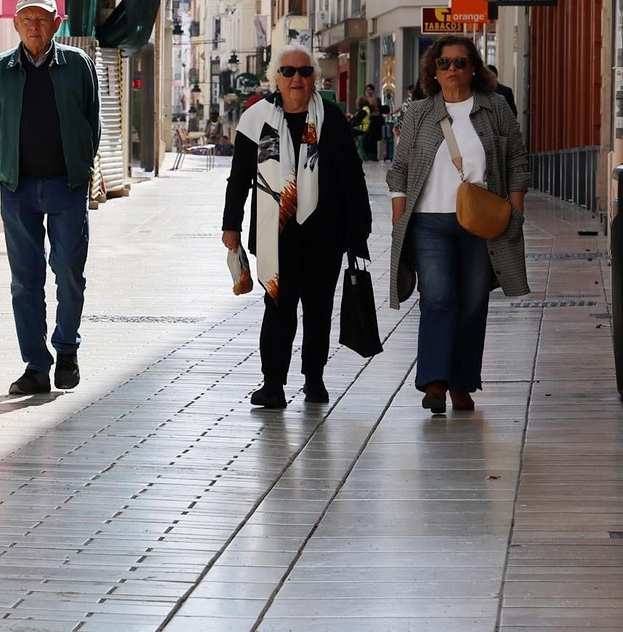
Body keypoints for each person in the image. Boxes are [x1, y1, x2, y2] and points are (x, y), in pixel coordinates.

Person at [223, 45, 371, 408]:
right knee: (278, 309)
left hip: (325, 233)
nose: (296, 79)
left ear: (314, 78)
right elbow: (239, 177)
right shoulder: (255, 119)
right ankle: (272, 383)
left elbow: (352, 177)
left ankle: (314, 380)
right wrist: (232, 225)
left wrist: (358, 230)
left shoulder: (331, 119)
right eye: (288, 72)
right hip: (276, 233)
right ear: (276, 77)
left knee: (318, 310)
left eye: (304, 72)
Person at [388, 35, 529, 414]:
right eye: (444, 63)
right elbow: (399, 168)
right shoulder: (419, 112)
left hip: (481, 221)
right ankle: (434, 382)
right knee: (437, 298)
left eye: (460, 62)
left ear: (473, 68)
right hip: (429, 221)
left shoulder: (495, 107)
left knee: (471, 303)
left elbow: (517, 159)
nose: (452, 70)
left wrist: (515, 211)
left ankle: (462, 383)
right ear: (433, 70)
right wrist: (399, 217)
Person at [0, 0, 101, 396]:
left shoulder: (78, 65)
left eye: (42, 17)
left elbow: (92, 122)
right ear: (15, 24)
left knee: (68, 271)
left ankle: (66, 348)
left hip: (67, 185)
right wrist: (5, 166)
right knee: (24, 281)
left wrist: (80, 168)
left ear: (57, 22)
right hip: (18, 188)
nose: (34, 25)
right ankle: (35, 365)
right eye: (26, 18)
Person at [361, 84, 385, 161]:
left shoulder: (377, 99)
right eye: (367, 90)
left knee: (375, 138)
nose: (369, 91)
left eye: (370, 89)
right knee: (368, 138)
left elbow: (379, 109)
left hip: (376, 120)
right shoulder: (364, 99)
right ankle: (368, 154)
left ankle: (375, 155)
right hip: (369, 120)